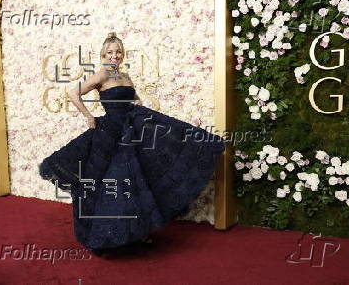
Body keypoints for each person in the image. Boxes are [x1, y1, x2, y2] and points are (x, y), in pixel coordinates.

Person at [39, 32, 226, 257]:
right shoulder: (103, 73)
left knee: (137, 180)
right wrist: (89, 116)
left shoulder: (125, 76)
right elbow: (73, 92)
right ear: (103, 54)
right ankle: (104, 234)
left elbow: (135, 99)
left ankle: (137, 230)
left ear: (122, 54)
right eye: (110, 52)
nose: (114, 56)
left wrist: (136, 106)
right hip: (109, 134)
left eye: (118, 52)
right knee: (105, 183)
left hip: (130, 132)